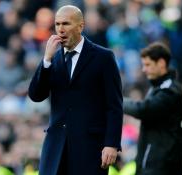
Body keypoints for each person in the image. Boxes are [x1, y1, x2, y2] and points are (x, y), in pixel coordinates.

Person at [28, 5, 123, 175]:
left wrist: (112, 143)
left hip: (89, 147)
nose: (61, 29)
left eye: (66, 23)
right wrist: (46, 60)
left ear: (81, 26)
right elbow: (36, 95)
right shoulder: (53, 59)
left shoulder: (103, 57)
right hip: (56, 147)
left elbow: (114, 105)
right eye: (57, 24)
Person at [123, 42, 182, 175]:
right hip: (153, 164)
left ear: (161, 63)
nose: (144, 69)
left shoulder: (170, 90)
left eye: (148, 65)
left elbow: (143, 110)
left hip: (161, 167)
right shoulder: (158, 87)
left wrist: (116, 101)